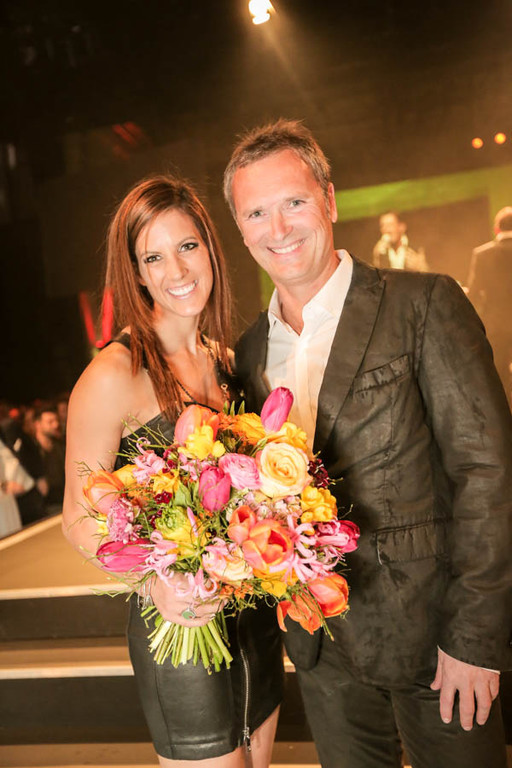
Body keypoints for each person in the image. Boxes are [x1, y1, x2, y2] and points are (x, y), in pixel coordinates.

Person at [225, 119, 512, 768]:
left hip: (437, 643)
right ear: (241, 230)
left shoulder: (423, 304)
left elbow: (488, 474)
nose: (279, 228)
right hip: (323, 652)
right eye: (257, 213)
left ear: (329, 200)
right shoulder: (247, 354)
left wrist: (475, 637)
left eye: (294, 202)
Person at [62, 175, 283, 767]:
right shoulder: (114, 374)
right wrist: (158, 581)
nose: (177, 270)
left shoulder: (228, 363)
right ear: (136, 272)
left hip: (255, 623)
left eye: (187, 246)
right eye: (153, 257)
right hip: (183, 633)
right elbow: (77, 518)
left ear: (210, 248)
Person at [467, 206, 512, 405]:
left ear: (496, 229)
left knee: (500, 377)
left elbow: (474, 293)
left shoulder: (482, 254)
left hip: (496, 325)